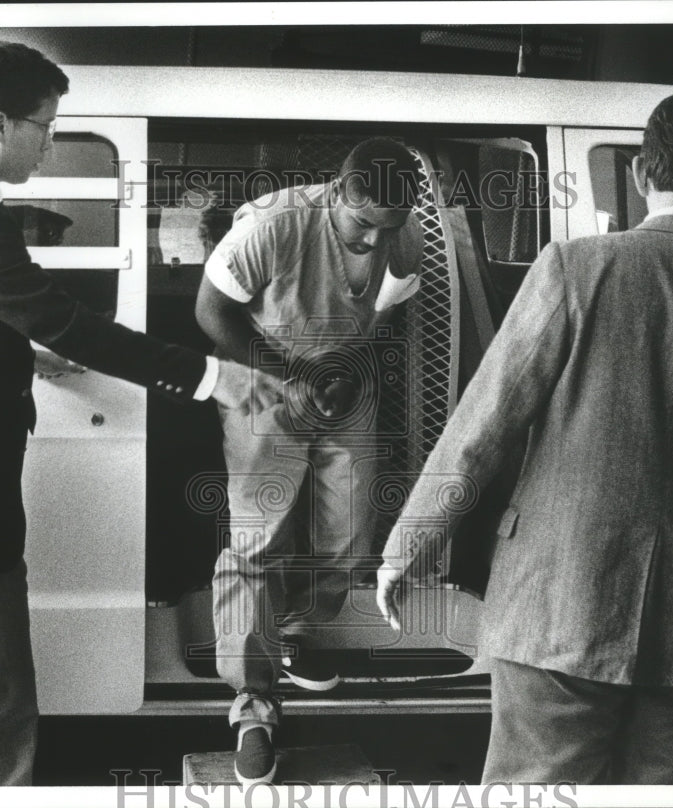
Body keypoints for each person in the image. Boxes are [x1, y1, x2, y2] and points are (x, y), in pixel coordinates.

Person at [0, 40, 280, 787]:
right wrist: (214, 375)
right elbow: (67, 321)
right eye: (45, 127)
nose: (50, 144)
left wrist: (22, 357)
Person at [376, 89, 673, 785]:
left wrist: (408, 544)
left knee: (534, 793)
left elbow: (482, 426)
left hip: (561, 605)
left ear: (642, 173)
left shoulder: (573, 271)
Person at [195, 138, 424, 784]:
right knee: (258, 540)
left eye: (389, 229)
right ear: (337, 193)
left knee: (351, 529)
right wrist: (286, 376)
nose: (374, 243)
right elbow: (209, 310)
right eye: (363, 226)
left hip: (342, 380)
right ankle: (253, 709)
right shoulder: (272, 227)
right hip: (265, 375)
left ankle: (294, 630)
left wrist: (348, 367)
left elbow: (384, 313)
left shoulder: (400, 238)